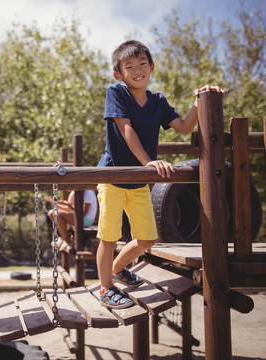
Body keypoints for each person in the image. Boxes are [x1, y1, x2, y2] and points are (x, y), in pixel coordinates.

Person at [95, 40, 224, 309]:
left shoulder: (158, 101)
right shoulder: (116, 93)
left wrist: (200, 99)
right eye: (129, 66)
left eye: (142, 63)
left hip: (139, 182)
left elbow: (185, 127)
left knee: (147, 239)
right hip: (113, 177)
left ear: (152, 67)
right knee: (109, 237)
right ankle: (105, 288)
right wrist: (148, 162)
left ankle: (118, 269)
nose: (137, 69)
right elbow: (125, 129)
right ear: (119, 74)